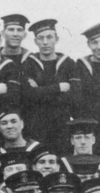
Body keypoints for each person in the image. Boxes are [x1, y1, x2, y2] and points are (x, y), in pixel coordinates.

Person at [19, 18, 79, 148]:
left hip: (62, 125)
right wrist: (59, 87)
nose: (45, 42)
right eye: (40, 38)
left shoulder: (68, 63)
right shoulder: (29, 64)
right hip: (35, 125)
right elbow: (27, 95)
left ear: (56, 39)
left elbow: (75, 96)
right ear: (35, 41)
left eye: (49, 37)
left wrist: (40, 91)